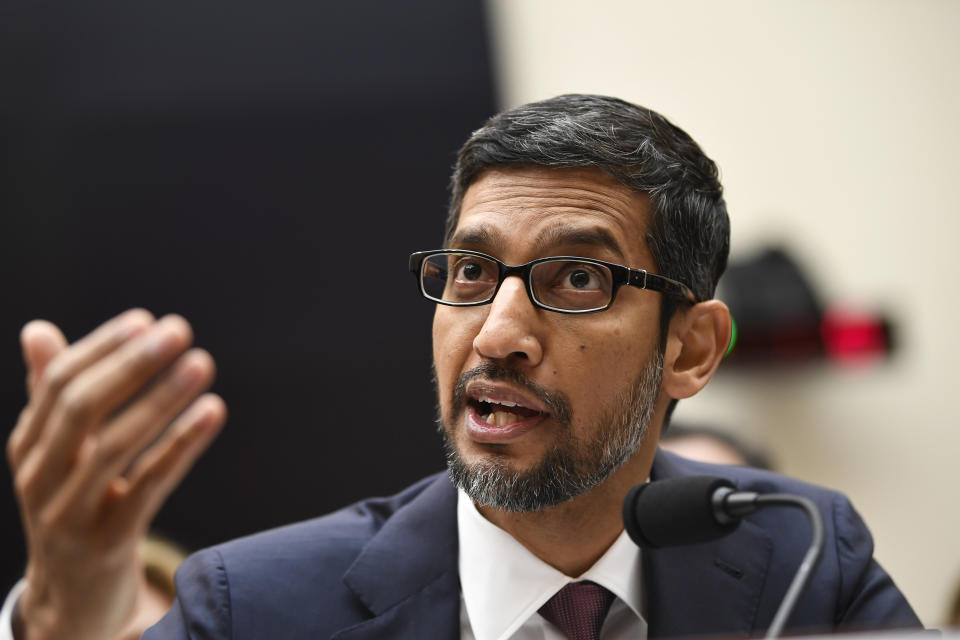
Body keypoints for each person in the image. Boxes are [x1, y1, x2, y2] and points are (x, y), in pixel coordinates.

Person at [3, 95, 922, 639]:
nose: (496, 335)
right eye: (473, 272)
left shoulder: (799, 555)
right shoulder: (259, 608)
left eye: (576, 278)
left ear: (689, 349)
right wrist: (66, 609)